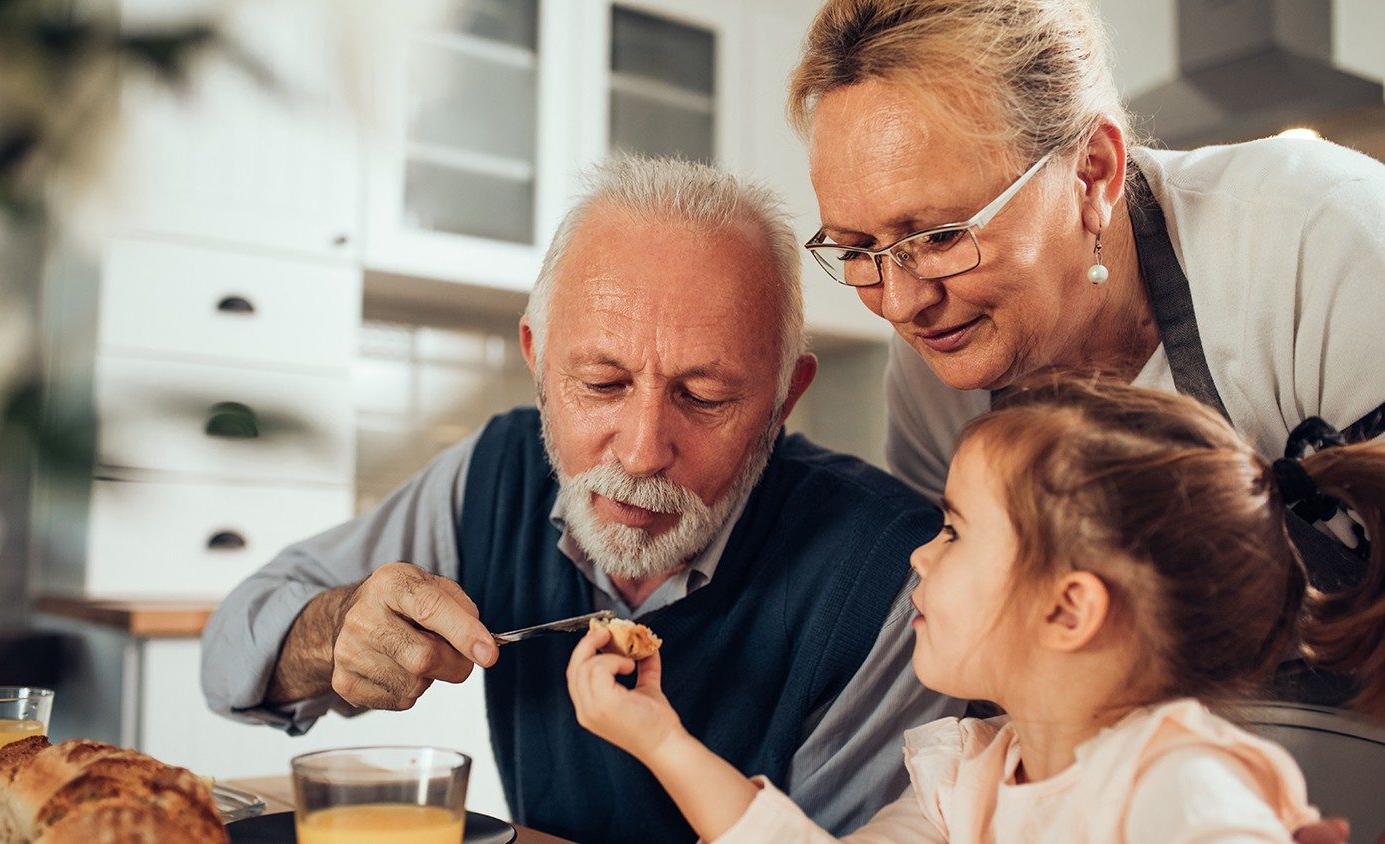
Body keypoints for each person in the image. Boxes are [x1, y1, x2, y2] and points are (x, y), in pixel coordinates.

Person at [200, 155, 958, 843]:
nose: (639, 451)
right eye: (601, 385)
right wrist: (335, 629)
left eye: (703, 397)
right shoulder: (493, 474)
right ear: (535, 358)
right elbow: (230, 654)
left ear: (783, 400)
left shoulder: (895, 578)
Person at [567, 373, 1385, 842]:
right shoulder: (967, 776)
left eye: (954, 531)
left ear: (1068, 610)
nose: (920, 553)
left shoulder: (1181, 792)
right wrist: (660, 738)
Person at [787, 0, 1385, 619]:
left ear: (1093, 173)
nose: (903, 303)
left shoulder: (1316, 237)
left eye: (941, 237)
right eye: (859, 250)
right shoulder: (935, 376)